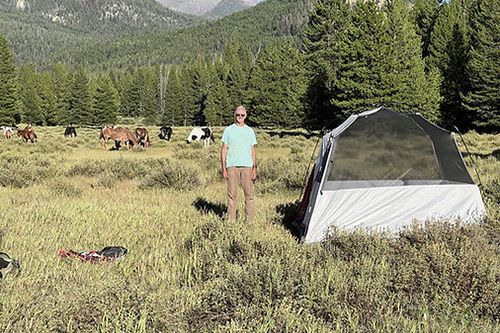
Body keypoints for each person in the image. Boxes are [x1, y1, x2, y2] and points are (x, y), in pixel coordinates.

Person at [221, 106, 257, 222]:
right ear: (235, 115)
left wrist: (254, 167)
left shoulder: (250, 130)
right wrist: (224, 168)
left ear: (245, 116)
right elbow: (224, 150)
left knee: (249, 195)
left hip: (247, 166)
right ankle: (231, 222)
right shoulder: (228, 130)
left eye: (242, 115)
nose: (240, 117)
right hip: (232, 166)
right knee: (232, 196)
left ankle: (250, 222)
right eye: (238, 115)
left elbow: (252, 150)